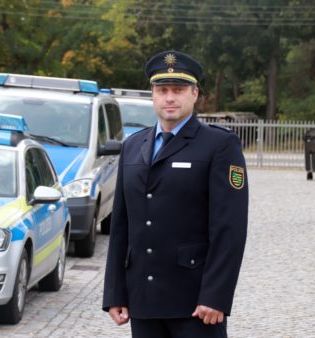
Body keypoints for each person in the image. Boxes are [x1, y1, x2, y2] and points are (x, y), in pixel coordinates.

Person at [102, 50, 249, 338]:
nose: (170, 97)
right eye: (162, 90)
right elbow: (121, 226)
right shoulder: (132, 146)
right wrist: (115, 291)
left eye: (178, 90)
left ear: (195, 94)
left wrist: (216, 296)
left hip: (195, 304)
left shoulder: (219, 146)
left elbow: (229, 229)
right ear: (153, 95)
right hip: (143, 301)